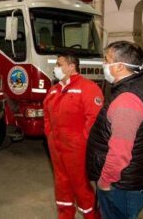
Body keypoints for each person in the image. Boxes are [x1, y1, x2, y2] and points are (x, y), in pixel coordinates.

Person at [87, 41, 143, 219]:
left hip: (120, 186)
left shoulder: (126, 101)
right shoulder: (137, 84)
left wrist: (105, 182)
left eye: (106, 60)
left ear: (119, 67)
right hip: (128, 181)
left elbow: (119, 153)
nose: (103, 64)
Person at [43, 53, 103, 219]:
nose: (56, 68)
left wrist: (82, 142)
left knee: (81, 187)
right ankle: (65, 215)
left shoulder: (88, 88)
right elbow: (47, 117)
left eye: (59, 64)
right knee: (62, 185)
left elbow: (94, 120)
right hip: (56, 148)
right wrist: (50, 136)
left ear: (71, 67)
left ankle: (91, 216)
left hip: (78, 150)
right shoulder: (54, 91)